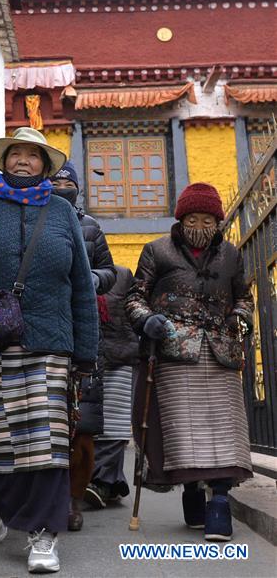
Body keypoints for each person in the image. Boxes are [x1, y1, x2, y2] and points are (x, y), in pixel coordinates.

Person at [0, 127, 98, 574]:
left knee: (47, 441)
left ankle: (42, 534)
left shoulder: (61, 212)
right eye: (15, 152)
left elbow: (81, 286)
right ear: (2, 160)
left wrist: (86, 353)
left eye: (32, 156)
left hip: (48, 343)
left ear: (45, 167)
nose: (22, 160)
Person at [125, 182, 254, 542]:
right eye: (193, 217)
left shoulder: (231, 255)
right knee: (185, 434)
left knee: (226, 432)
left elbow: (243, 296)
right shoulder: (156, 251)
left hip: (221, 353)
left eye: (208, 218)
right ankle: (193, 494)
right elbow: (135, 297)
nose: (200, 225)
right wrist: (147, 319)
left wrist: (240, 317)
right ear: (181, 219)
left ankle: (220, 503)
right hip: (173, 351)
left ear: (218, 220)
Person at [50, 162, 117, 531]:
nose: (62, 186)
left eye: (68, 181)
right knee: (46, 423)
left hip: (85, 328)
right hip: (47, 324)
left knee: (84, 427)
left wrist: (93, 277)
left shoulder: (91, 226)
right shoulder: (38, 217)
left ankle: (74, 500)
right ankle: (47, 499)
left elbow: (110, 271)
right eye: (55, 181)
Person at [85, 265, 139, 509]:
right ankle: (108, 481)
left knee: (115, 425)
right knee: (88, 422)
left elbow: (135, 310)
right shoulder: (68, 266)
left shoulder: (123, 275)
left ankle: (102, 481)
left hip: (120, 356)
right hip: (87, 358)